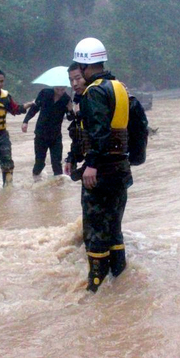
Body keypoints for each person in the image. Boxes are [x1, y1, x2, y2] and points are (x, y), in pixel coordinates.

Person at [72, 37, 133, 292]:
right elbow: (137, 125)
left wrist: (92, 164)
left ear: (85, 66)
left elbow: (97, 130)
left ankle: (95, 288)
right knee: (114, 229)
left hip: (101, 172)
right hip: (120, 169)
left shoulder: (94, 92)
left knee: (95, 231)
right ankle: (119, 281)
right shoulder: (119, 87)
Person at [21, 83, 71, 179]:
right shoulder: (45, 93)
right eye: (58, 89)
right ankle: (35, 182)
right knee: (39, 162)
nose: (60, 91)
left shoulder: (66, 99)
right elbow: (35, 108)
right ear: (53, 86)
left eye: (63, 89)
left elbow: (70, 118)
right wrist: (25, 121)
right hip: (41, 134)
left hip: (56, 136)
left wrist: (70, 109)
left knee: (57, 164)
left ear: (66, 88)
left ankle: (58, 190)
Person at [64, 62, 88, 177]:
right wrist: (71, 158)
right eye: (71, 80)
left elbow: (100, 135)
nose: (74, 84)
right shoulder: (79, 100)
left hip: (102, 166)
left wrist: (92, 165)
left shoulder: (98, 97)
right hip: (90, 166)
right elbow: (78, 134)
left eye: (78, 78)